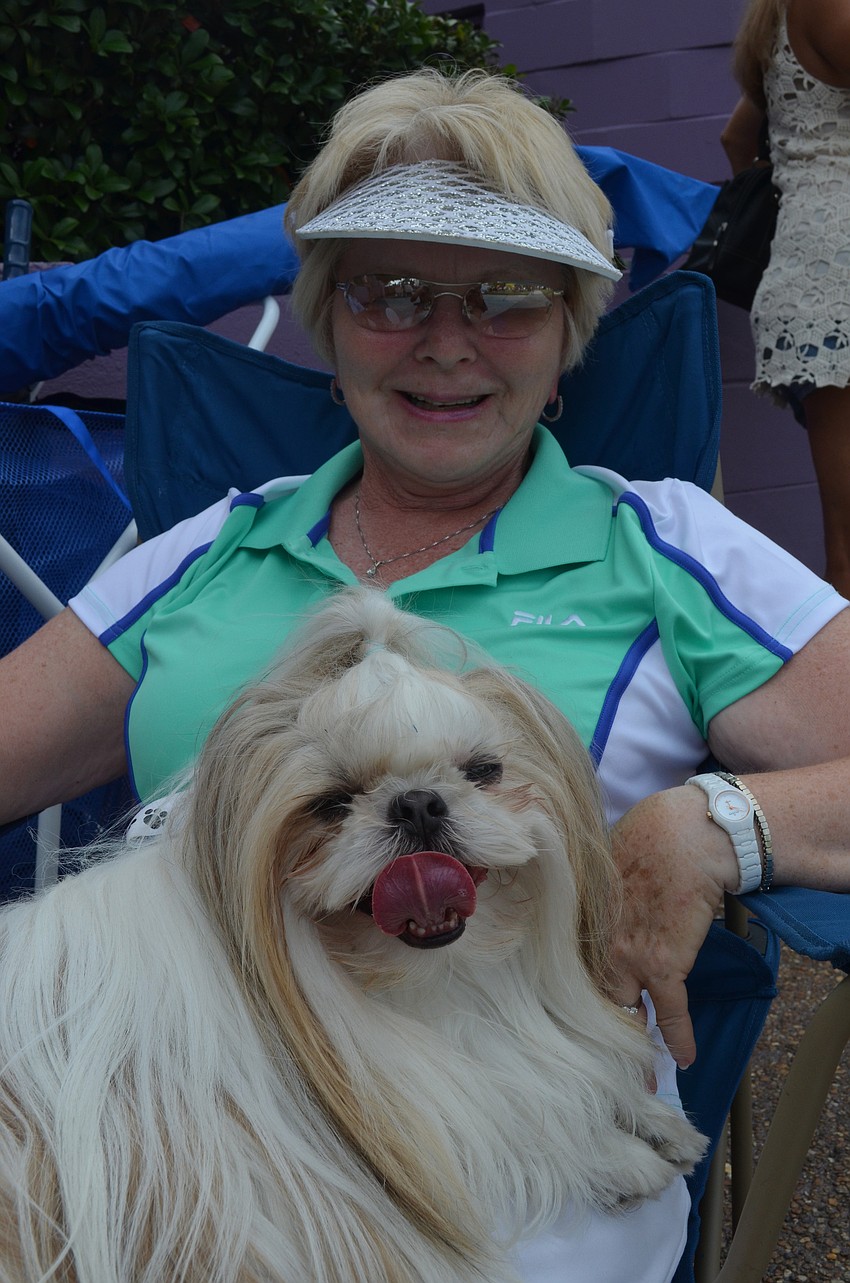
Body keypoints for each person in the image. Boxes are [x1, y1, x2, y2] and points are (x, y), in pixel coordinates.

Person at [1, 66, 850, 1280]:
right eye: (390, 294)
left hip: (513, 1141)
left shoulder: (660, 544)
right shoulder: (218, 543)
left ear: (569, 336)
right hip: (161, 1080)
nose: (446, 342)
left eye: (505, 297)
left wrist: (723, 820)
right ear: (328, 325)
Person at [722, 0, 850, 596]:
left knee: (845, 545)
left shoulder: (776, 19)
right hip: (838, 274)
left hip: (811, 275)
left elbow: (736, 137)